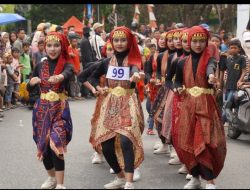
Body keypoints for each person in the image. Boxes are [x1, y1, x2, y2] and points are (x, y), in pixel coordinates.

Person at [82, 26, 144, 189]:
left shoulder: (133, 61)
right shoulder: (106, 62)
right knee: (106, 144)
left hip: (128, 102)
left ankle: (129, 182)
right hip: (110, 104)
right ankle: (120, 176)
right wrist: (97, 88)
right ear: (111, 42)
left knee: (125, 140)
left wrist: (137, 75)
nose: (119, 43)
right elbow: (92, 77)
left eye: (123, 40)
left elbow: (137, 70)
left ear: (129, 42)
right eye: (116, 40)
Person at [174, 25, 227, 189]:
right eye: (195, 41)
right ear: (189, 42)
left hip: (205, 107)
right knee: (187, 142)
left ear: (206, 43)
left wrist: (211, 77)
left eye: (202, 41)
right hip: (188, 106)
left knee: (203, 142)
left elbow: (210, 69)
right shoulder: (182, 62)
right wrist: (178, 88)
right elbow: (176, 81)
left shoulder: (210, 59)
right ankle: (195, 178)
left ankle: (210, 181)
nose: (198, 45)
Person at [27, 32, 74, 189]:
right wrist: (31, 83)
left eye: (56, 45)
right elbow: (29, 86)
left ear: (62, 47)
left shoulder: (66, 64)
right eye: (49, 45)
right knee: (44, 145)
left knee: (56, 142)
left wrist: (60, 77)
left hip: (60, 110)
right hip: (41, 110)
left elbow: (69, 73)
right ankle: (52, 178)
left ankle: (60, 184)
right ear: (44, 47)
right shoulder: (40, 65)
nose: (52, 49)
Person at [220, 39, 247, 124]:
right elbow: (224, 71)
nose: (233, 49)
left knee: (227, 105)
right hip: (227, 86)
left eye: (235, 48)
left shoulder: (241, 58)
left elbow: (244, 71)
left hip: (236, 87)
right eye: (231, 48)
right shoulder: (227, 59)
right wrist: (221, 83)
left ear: (239, 49)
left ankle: (221, 122)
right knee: (228, 106)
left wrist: (240, 80)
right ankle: (230, 124)